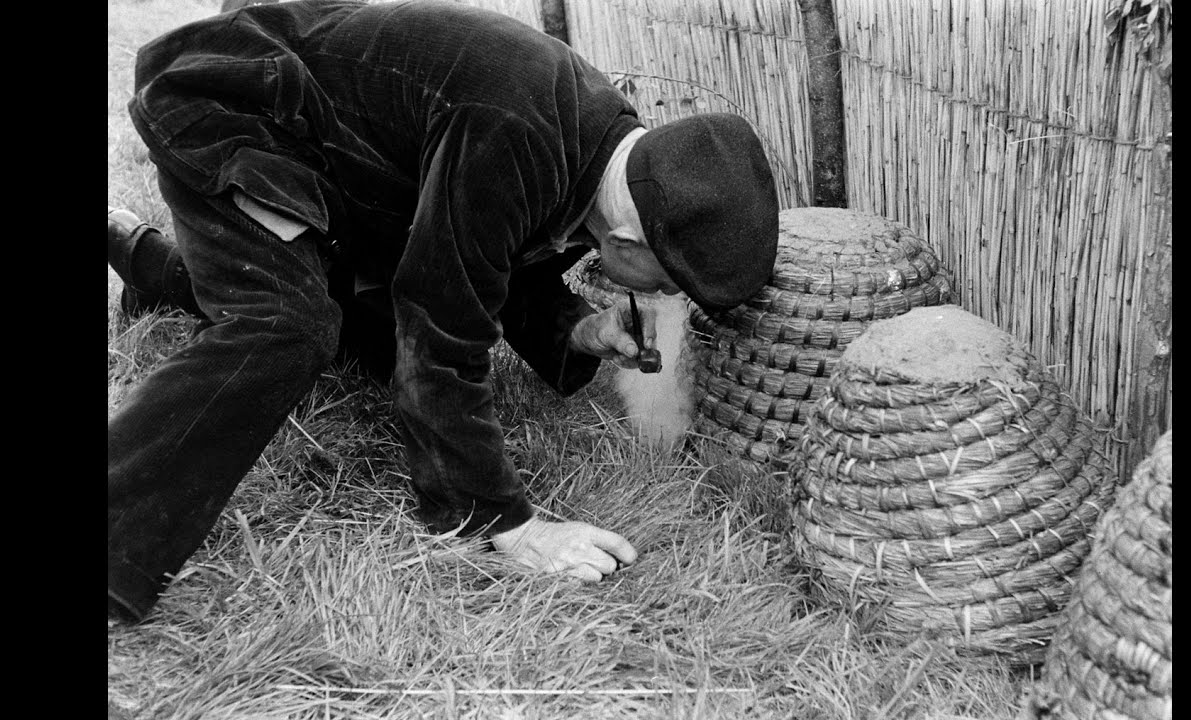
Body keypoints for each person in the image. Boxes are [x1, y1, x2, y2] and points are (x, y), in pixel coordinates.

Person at [107, 0, 779, 623]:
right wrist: (501, 520)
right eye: (666, 282)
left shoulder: (605, 148)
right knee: (287, 326)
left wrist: (583, 329)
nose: (663, 299)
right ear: (628, 242)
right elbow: (438, 334)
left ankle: (141, 258)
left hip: (339, 169)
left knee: (350, 324)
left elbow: (495, 259)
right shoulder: (516, 134)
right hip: (241, 109)